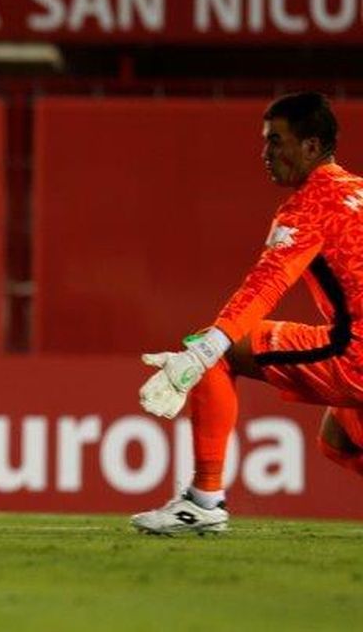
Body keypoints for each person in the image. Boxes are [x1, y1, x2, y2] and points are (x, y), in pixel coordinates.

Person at [133, 93, 363, 535]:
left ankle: (203, 503)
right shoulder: (355, 191)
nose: (266, 153)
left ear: (311, 147)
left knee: (217, 352)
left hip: (354, 353)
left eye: (277, 141)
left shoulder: (309, 206)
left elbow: (268, 284)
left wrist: (206, 350)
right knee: (338, 438)